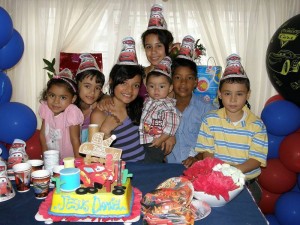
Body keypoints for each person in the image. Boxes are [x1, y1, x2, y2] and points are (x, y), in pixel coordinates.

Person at [195, 53, 268, 202]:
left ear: (248, 95)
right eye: (228, 93)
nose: (233, 99)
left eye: (239, 94)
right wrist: (219, 173)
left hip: (247, 184)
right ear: (220, 94)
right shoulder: (210, 120)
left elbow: (256, 159)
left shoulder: (257, 125)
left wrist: (231, 172)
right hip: (216, 180)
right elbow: (207, 152)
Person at [91, 37, 145, 162]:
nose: (130, 90)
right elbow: (94, 158)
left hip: (143, 166)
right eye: (124, 83)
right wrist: (105, 130)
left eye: (135, 85)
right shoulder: (100, 114)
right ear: (111, 81)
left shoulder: (139, 107)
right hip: (118, 173)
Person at [165, 35, 217, 166]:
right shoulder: (162, 107)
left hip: (198, 168)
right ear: (171, 80)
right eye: (178, 77)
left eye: (188, 78)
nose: (183, 83)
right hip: (167, 169)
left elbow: (214, 141)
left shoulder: (207, 108)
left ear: (196, 82)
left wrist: (198, 157)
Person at [140, 56, 180, 163]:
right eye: (152, 86)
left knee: (152, 164)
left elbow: (171, 126)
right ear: (147, 87)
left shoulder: (168, 106)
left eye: (161, 87)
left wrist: (161, 139)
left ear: (170, 88)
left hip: (156, 141)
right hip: (144, 139)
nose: (156, 90)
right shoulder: (148, 101)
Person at [39, 68, 84, 160]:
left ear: (73, 99)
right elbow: (42, 134)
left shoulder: (72, 112)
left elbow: (75, 139)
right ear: (47, 94)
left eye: (63, 97)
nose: (56, 101)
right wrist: (46, 156)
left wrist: (79, 162)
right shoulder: (46, 108)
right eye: (52, 95)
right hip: (51, 158)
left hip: (69, 160)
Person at [75, 53, 105, 143]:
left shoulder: (99, 110)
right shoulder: (68, 108)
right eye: (87, 86)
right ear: (77, 85)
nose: (92, 92)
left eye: (97, 88)